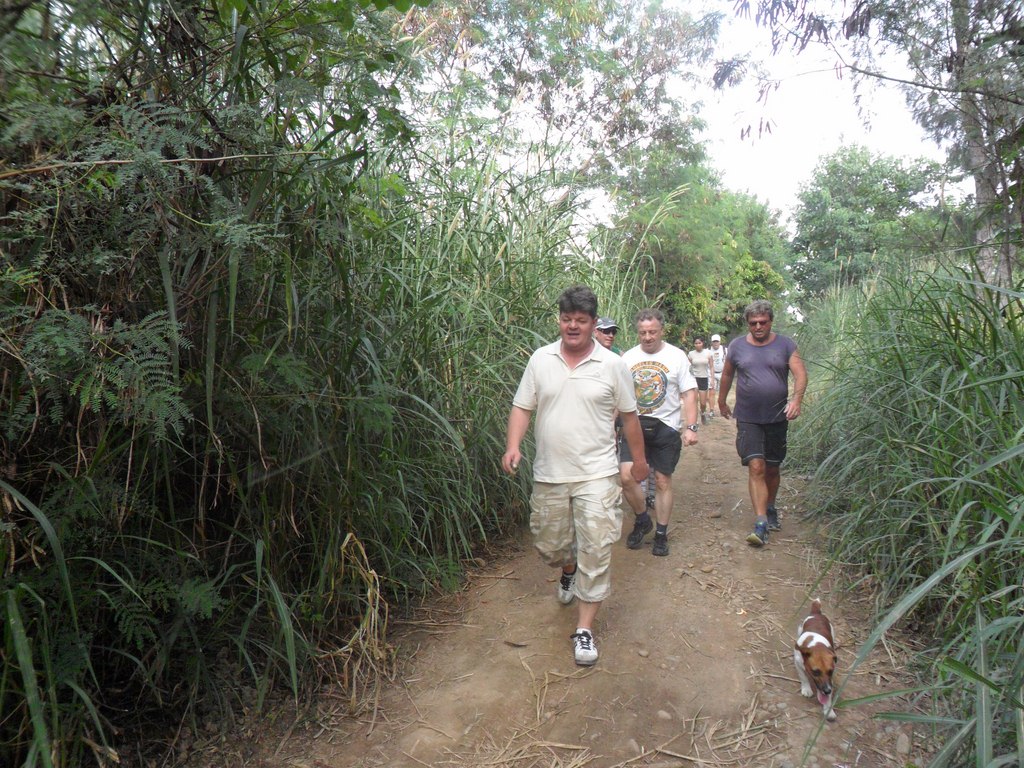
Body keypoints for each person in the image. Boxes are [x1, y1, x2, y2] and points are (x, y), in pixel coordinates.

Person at [503, 286, 649, 666]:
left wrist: (639, 461)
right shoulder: (541, 359)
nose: (572, 326)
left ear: (593, 323)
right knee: (550, 546)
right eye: (566, 319)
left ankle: (584, 630)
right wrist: (513, 445)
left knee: (597, 548)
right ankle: (568, 570)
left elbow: (630, 417)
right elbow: (522, 407)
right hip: (550, 473)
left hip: (597, 473)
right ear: (559, 320)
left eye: (580, 321)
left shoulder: (612, 365)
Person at [717, 300, 808, 547]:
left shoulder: (786, 345)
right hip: (748, 417)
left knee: (772, 468)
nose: (758, 327)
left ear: (771, 321)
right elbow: (727, 374)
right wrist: (721, 401)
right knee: (756, 466)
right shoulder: (737, 346)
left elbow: (800, 373)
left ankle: (770, 506)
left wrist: (796, 400)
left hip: (777, 417)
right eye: (753, 323)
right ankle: (761, 522)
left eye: (762, 322)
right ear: (748, 323)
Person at [619, 309, 699, 557]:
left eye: (652, 332)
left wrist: (691, 427)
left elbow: (689, 393)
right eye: (642, 332)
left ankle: (661, 534)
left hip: (666, 427)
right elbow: (618, 396)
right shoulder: (628, 358)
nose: (647, 337)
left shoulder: (677, 356)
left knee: (663, 481)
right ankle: (643, 519)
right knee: (626, 477)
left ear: (662, 330)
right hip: (634, 425)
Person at [687, 337, 715, 424]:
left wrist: (712, 379)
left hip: (704, 378)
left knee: (703, 403)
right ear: (694, 344)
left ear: (702, 343)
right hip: (694, 379)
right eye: (696, 343)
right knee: (694, 401)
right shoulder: (691, 354)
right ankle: (694, 420)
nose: (698, 345)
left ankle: (702, 413)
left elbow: (711, 366)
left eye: (699, 343)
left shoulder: (708, 353)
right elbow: (687, 367)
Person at [708, 334, 727, 416]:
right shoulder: (708, 351)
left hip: (722, 373)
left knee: (723, 393)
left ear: (720, 342)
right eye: (714, 341)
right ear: (711, 342)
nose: (715, 343)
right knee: (712, 392)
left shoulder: (725, 350)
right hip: (711, 373)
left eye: (717, 341)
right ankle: (711, 410)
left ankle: (723, 409)